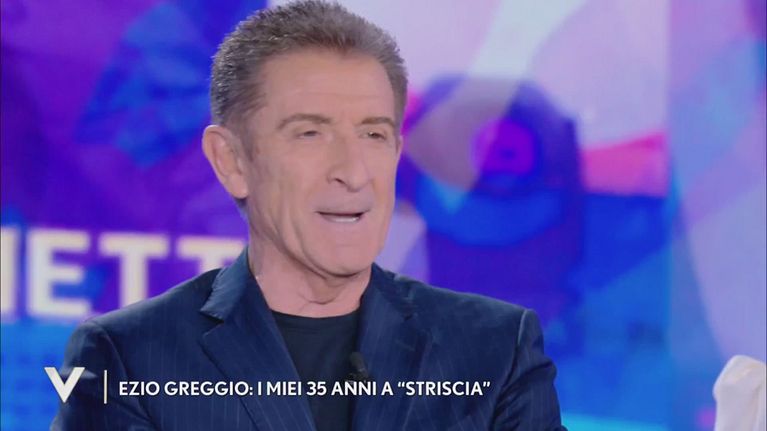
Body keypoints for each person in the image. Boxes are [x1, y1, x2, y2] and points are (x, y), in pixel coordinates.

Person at [52, 1, 565, 430]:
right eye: (310, 133)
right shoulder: (129, 358)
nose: (353, 172)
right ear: (232, 161)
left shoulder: (497, 350)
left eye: (373, 134)